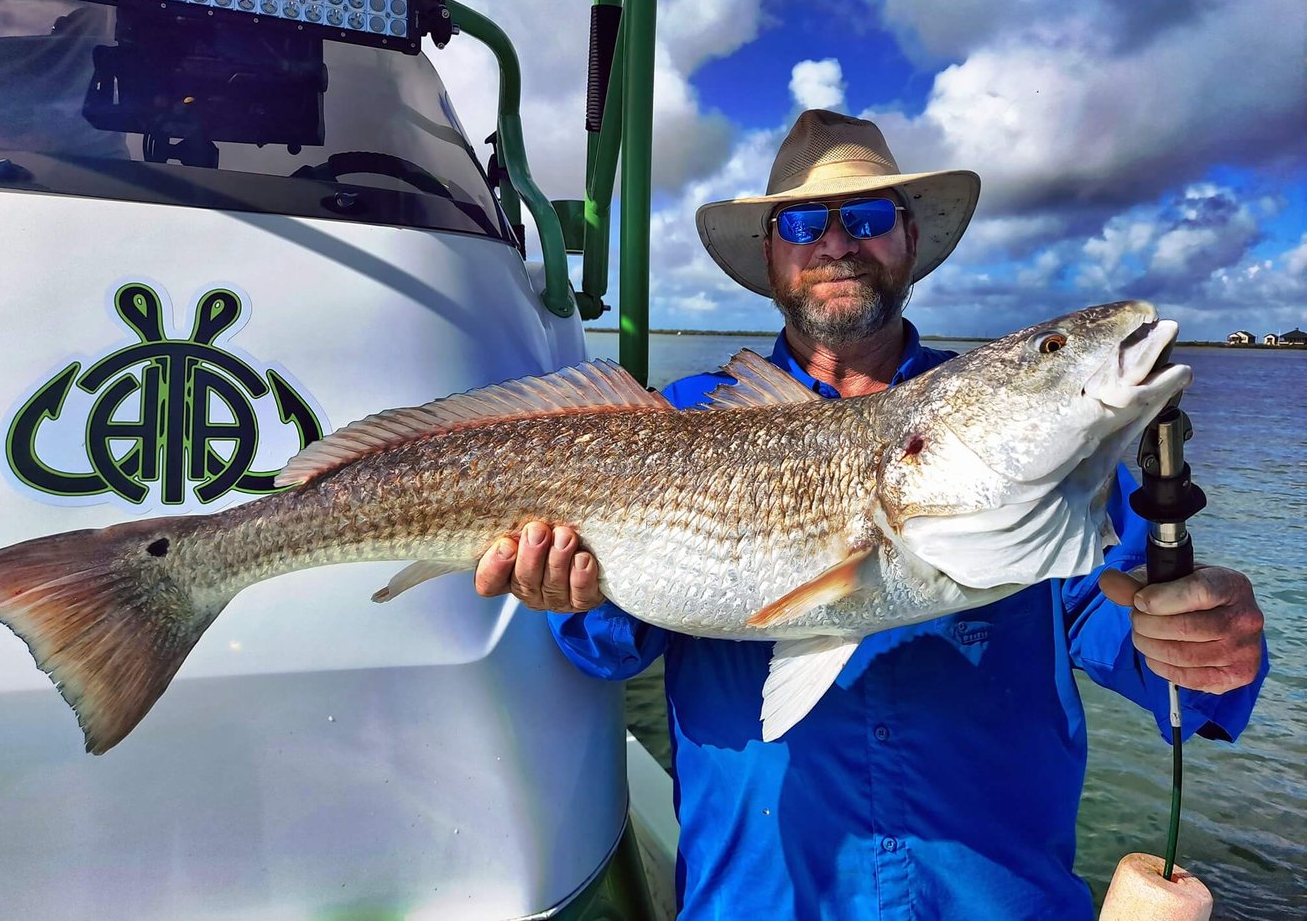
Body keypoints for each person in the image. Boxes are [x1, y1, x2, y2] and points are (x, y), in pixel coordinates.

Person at [474, 110, 1268, 919]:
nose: (837, 242)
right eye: (804, 223)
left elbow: (1129, 625)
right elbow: (612, 648)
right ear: (771, 252)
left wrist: (1210, 646)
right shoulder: (677, 425)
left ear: (910, 239)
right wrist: (572, 595)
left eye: (868, 217)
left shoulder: (1051, 458)